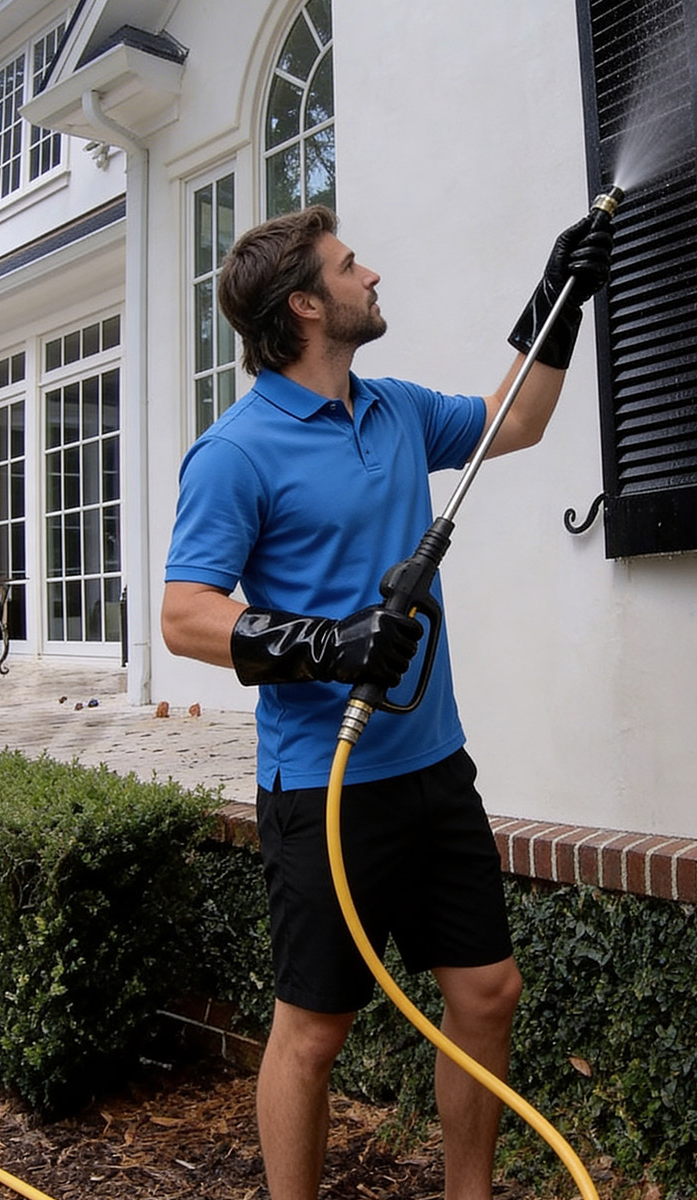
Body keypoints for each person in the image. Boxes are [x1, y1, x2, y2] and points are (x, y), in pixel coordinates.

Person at [161, 204, 612, 1200]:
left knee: (488, 993)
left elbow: (517, 419)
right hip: (323, 789)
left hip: (434, 766)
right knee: (313, 1032)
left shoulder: (395, 409)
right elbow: (184, 616)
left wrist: (559, 298)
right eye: (350, 265)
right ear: (304, 305)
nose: (371, 276)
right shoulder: (236, 451)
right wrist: (325, 642)